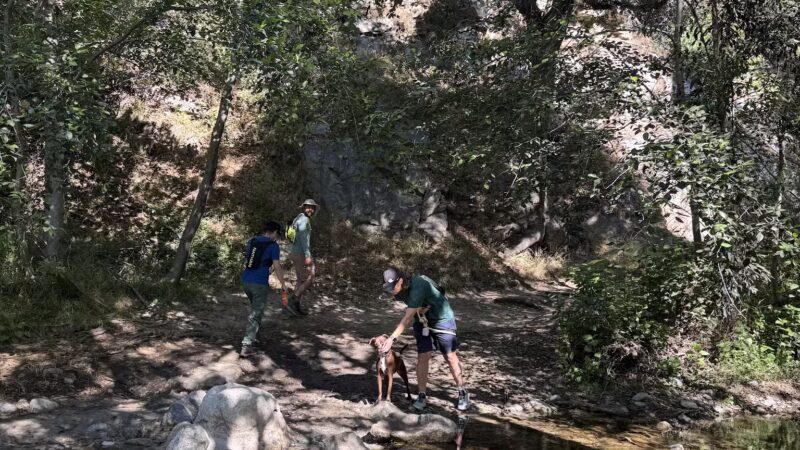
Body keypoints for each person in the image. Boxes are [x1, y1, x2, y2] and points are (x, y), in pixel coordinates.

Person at [380, 267, 471, 411]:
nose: (391, 291)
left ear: (401, 281)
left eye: (392, 287)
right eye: (388, 288)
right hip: (422, 321)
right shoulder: (396, 291)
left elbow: (407, 318)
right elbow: (411, 309)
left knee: (450, 356)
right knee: (423, 356)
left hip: (442, 319)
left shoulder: (418, 286)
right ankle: (422, 395)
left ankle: (462, 391)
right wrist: (419, 308)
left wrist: (392, 339)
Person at [240, 221, 287, 357]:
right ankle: (247, 345)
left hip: (246, 281)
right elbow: (277, 266)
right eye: (277, 234)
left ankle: (253, 335)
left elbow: (247, 257)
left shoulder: (252, 241)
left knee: (255, 310)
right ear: (274, 232)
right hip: (259, 283)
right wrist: (283, 284)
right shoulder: (273, 246)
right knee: (255, 314)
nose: (277, 238)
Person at [287, 199, 318, 316]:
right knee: (310, 276)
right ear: (303, 207)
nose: (311, 209)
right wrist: (307, 255)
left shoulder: (298, 218)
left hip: (295, 252)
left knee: (300, 280)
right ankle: (293, 300)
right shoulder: (304, 220)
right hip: (301, 253)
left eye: (312, 208)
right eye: (308, 207)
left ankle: (295, 306)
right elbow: (303, 239)